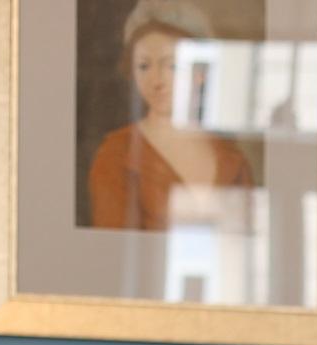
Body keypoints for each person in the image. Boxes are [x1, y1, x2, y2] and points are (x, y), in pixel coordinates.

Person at [88, 0, 255, 231]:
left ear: (200, 72)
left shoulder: (232, 160)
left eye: (172, 66)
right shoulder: (118, 154)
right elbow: (114, 251)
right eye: (144, 66)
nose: (156, 81)